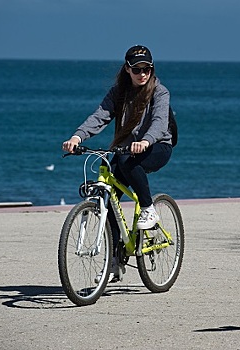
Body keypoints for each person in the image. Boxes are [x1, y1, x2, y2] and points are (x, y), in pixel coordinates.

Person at [62, 45, 173, 281]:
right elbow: (100, 116)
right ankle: (115, 261)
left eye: (147, 69)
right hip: (126, 149)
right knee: (108, 194)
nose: (142, 74)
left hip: (158, 146)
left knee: (128, 162)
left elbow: (160, 123)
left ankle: (148, 209)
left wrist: (145, 140)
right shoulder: (118, 92)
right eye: (137, 69)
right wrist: (77, 137)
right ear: (127, 69)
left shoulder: (160, 92)